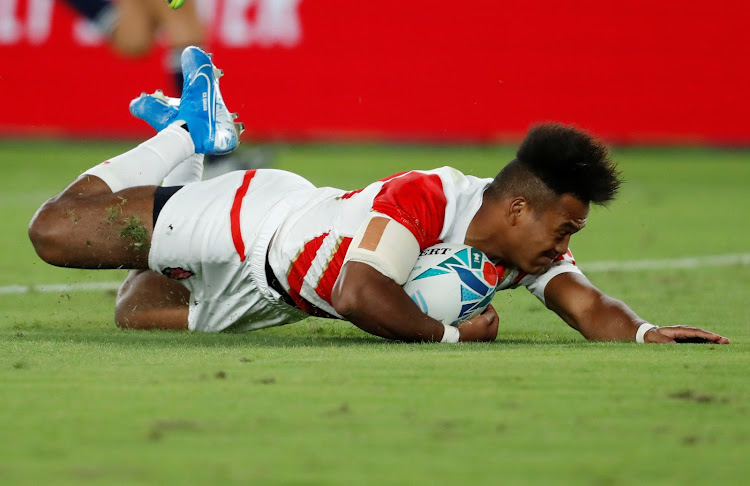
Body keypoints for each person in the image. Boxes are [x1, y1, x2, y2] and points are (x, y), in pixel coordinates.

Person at [28, 46, 729, 345]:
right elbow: (363, 293)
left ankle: (180, 191)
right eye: (565, 229)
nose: (566, 248)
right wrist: (452, 337)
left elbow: (590, 306)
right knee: (55, 234)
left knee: (135, 311)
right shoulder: (426, 198)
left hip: (278, 298)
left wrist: (643, 332)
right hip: (250, 226)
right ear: (520, 207)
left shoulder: (523, 251)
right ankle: (190, 132)